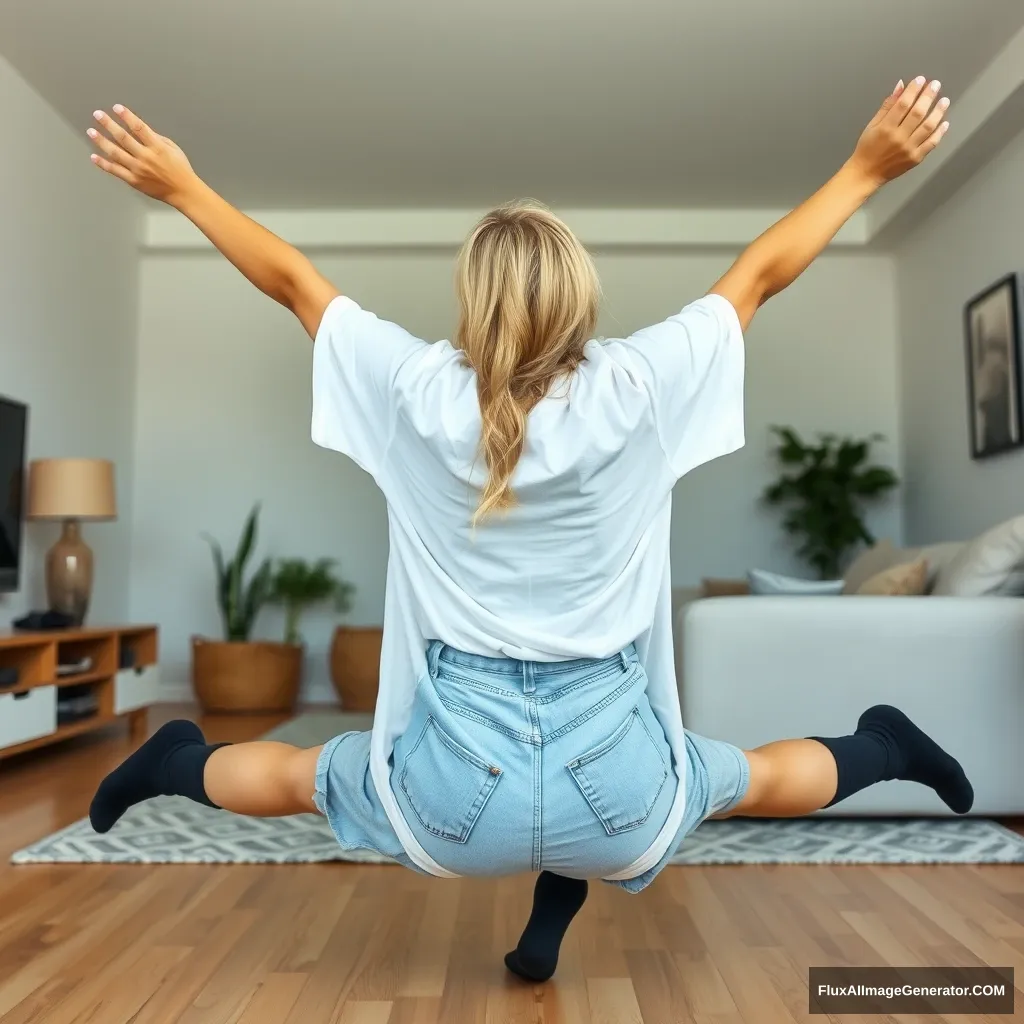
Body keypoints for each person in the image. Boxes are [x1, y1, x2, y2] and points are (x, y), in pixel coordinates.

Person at [86, 76, 968, 983]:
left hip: (451, 803)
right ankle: (886, 748)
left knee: (307, 776)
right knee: (745, 776)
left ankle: (172, 763)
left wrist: (181, 188)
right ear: (580, 295)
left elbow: (294, 284)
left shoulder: (416, 391)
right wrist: (867, 169)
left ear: (474, 304)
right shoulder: (639, 388)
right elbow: (758, 276)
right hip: (619, 797)